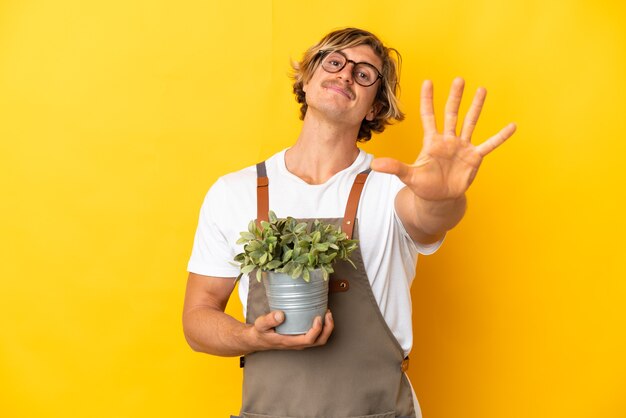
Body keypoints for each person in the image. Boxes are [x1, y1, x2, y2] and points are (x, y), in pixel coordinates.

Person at [183, 27, 516, 418]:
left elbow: (430, 219)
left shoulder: (392, 187)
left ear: (374, 108)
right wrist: (249, 335)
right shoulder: (232, 192)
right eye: (335, 62)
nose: (345, 74)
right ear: (306, 79)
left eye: (363, 74)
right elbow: (197, 318)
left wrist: (443, 196)